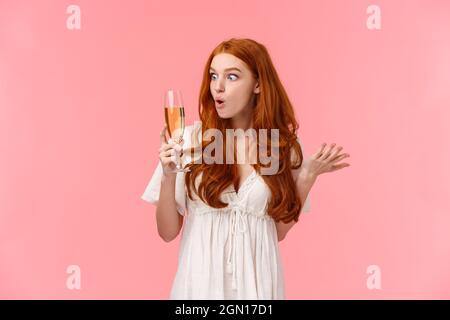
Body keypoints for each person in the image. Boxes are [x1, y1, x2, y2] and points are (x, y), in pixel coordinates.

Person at [141, 38, 351, 299]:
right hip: (199, 289)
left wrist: (307, 176)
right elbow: (167, 232)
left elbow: (276, 232)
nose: (217, 87)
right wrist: (168, 176)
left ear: (258, 84)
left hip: (258, 289)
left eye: (231, 77)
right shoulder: (191, 140)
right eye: (213, 76)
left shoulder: (280, 146)